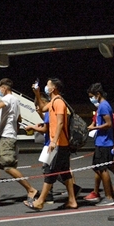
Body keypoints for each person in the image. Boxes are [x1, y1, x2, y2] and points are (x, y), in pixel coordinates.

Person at [0, 78, 38, 204]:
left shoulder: (7, 99)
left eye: (0, 89)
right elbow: (19, 118)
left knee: (8, 166)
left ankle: (31, 189)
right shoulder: (16, 100)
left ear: (3, 88)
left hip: (7, 136)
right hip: (2, 135)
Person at [27, 78, 78, 211]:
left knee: (50, 172)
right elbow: (43, 108)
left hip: (59, 144)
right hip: (61, 144)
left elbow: (60, 122)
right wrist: (37, 93)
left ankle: (40, 201)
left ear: (53, 88)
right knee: (65, 173)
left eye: (48, 85)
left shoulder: (59, 102)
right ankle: (72, 200)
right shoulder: (54, 102)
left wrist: (54, 141)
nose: (46, 87)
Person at [83, 83, 114, 206]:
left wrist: (96, 128)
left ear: (98, 94)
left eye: (92, 96)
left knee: (103, 169)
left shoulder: (103, 106)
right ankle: (112, 191)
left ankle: (109, 197)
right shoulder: (103, 106)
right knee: (97, 167)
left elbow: (109, 124)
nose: (91, 99)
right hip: (101, 142)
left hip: (104, 143)